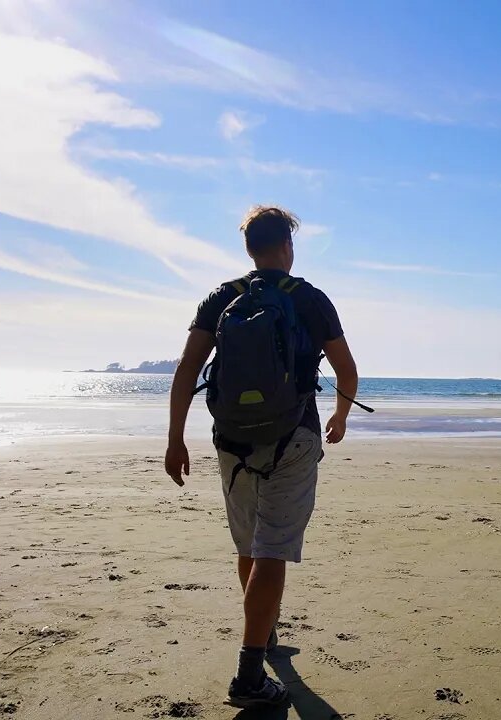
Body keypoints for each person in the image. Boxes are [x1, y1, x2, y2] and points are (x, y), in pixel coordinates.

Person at [165, 205, 359, 708]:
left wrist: (174, 437)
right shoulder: (309, 299)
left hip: (231, 439)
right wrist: (340, 416)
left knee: (250, 544)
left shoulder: (220, 297)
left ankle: (265, 635)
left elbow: (188, 368)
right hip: (293, 437)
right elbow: (346, 369)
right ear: (287, 247)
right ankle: (250, 673)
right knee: (273, 547)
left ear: (249, 249)